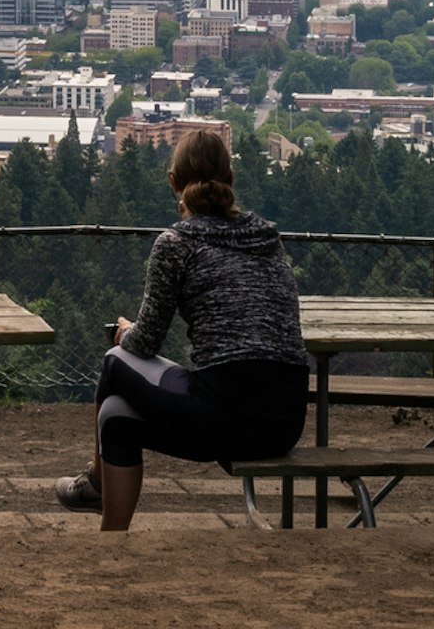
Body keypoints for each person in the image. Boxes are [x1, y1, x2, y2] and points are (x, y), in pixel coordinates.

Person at [58, 129, 308, 529]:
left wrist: (124, 332)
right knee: (116, 416)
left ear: (173, 182)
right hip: (284, 422)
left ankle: (98, 484)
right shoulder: (268, 236)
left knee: (113, 362)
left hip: (221, 416)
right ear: (231, 179)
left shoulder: (176, 243)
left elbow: (146, 341)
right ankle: (109, 535)